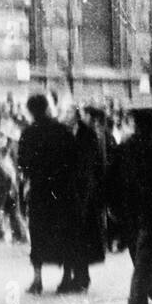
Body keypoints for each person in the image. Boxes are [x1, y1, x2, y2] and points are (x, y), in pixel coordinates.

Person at [108, 107, 152, 304]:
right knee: (145, 253)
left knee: (138, 252)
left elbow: (111, 179)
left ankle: (148, 293)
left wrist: (112, 205)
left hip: (128, 208)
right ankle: (144, 296)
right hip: (150, 208)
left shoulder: (124, 147)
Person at [16, 94, 77, 295]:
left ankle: (37, 280)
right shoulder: (62, 130)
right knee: (64, 232)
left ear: (31, 111)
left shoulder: (28, 133)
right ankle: (66, 277)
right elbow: (72, 159)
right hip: (61, 190)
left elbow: (22, 164)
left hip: (40, 190)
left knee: (39, 233)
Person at [65, 106, 107, 292]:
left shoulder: (88, 135)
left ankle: (82, 278)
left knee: (81, 237)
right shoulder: (68, 133)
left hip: (84, 195)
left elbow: (90, 166)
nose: (64, 117)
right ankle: (78, 276)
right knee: (75, 238)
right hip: (72, 194)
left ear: (76, 116)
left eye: (67, 114)